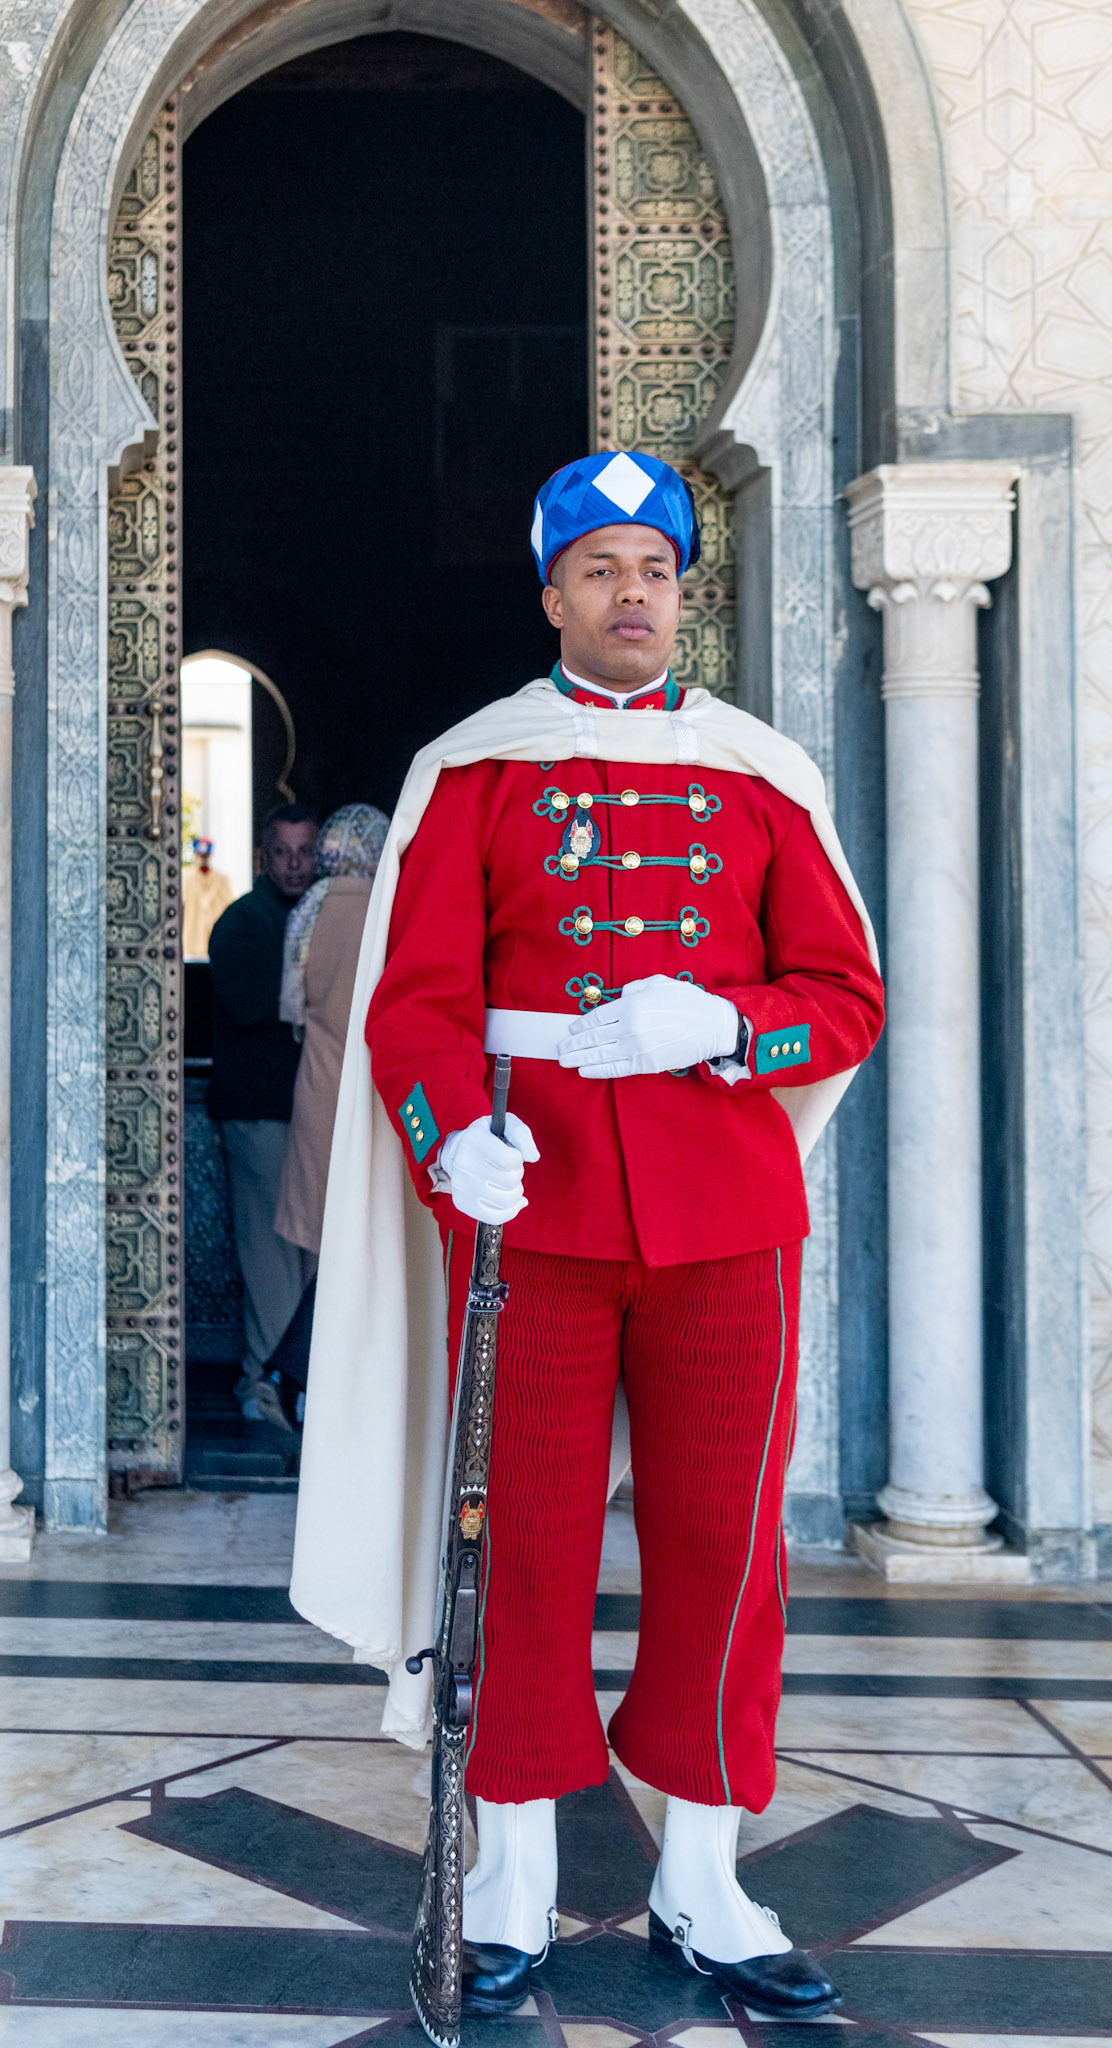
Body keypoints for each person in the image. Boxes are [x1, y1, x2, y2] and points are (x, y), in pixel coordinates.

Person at [291, 452, 883, 2018]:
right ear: (550, 593)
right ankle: (515, 1877)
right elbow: (412, 1007)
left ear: (684, 594)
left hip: (725, 1215)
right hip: (526, 1213)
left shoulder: (761, 774)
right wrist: (447, 1142)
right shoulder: (475, 770)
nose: (635, 594)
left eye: (659, 571)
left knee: (724, 1551)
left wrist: (725, 1022)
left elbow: (844, 999)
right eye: (604, 567)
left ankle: (706, 1874)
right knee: (519, 1552)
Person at [207, 801, 319, 1430]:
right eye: (283, 851)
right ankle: (262, 1383)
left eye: (306, 851)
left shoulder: (314, 917)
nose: (295, 864)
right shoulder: (242, 924)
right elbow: (253, 1005)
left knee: (305, 1256)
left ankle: (292, 1383)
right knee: (270, 1257)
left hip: (302, 1118)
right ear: (262, 857)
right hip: (259, 1117)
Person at [275, 802, 391, 1257]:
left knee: (318, 1242)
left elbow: (292, 1009)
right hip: (377, 1089)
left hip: (319, 1087)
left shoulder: (308, 910)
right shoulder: (389, 910)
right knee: (369, 1237)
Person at [182, 836, 234, 956]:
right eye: (200, 855)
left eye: (206, 856)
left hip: (215, 943)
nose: (203, 859)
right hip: (190, 943)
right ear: (196, 855)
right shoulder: (185, 878)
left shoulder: (222, 880)